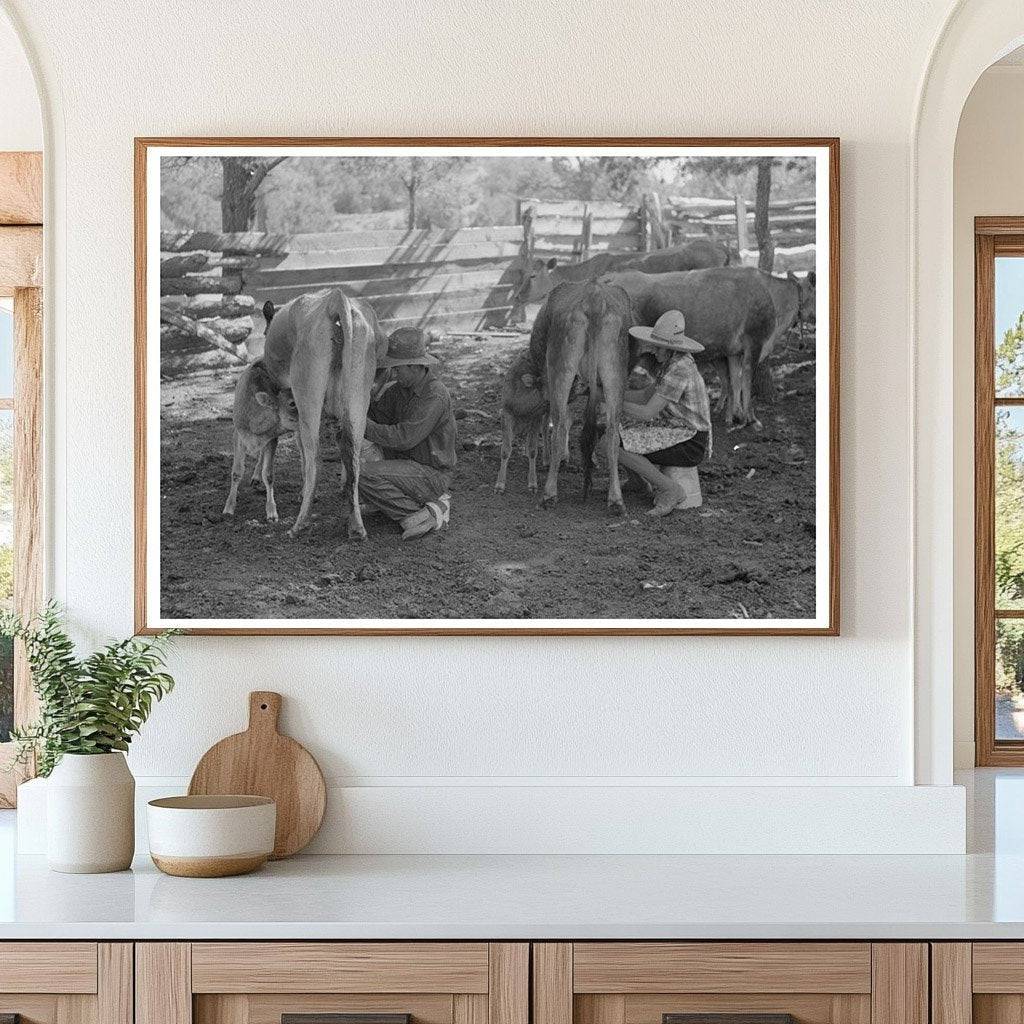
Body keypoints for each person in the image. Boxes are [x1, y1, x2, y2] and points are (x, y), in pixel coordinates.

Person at [360, 328, 457, 540]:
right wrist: (361, 400)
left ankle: (423, 512)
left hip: (431, 473)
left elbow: (404, 438)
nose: (393, 374)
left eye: (397, 368)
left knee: (363, 474)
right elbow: (379, 416)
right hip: (407, 465)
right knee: (354, 475)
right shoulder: (399, 390)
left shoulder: (434, 396)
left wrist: (360, 423)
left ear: (415, 366)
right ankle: (412, 503)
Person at [617, 309, 711, 517]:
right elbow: (644, 396)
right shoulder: (672, 363)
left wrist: (614, 405)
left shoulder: (679, 369)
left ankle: (670, 489)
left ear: (669, 348)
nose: (654, 351)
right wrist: (611, 394)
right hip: (677, 429)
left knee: (613, 442)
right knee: (614, 430)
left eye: (658, 347)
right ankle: (638, 482)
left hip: (690, 441)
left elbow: (647, 412)